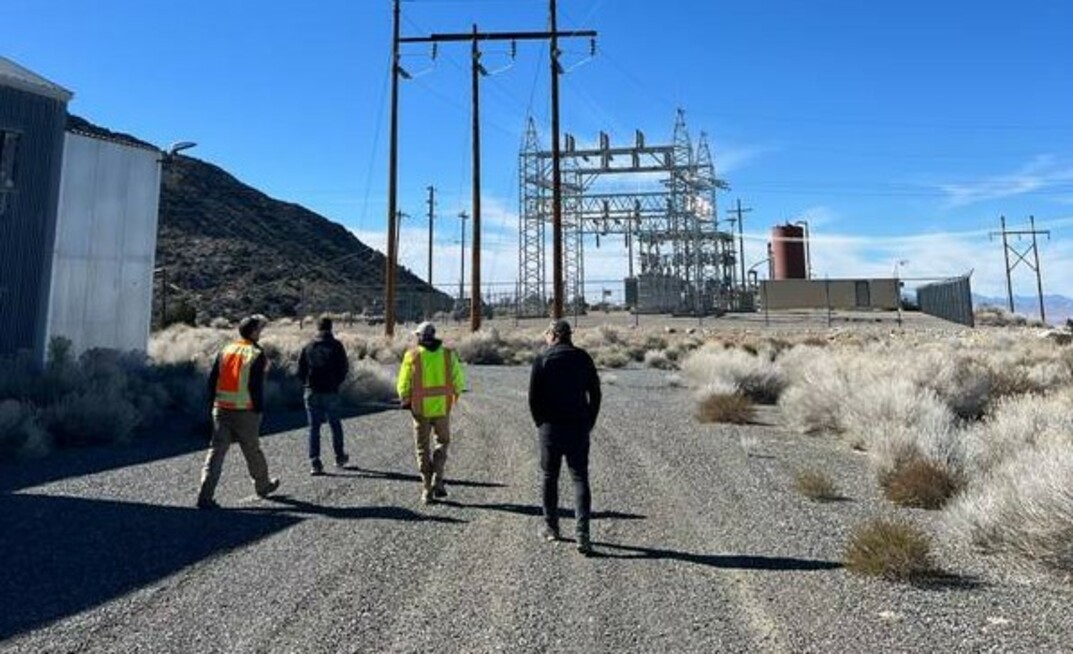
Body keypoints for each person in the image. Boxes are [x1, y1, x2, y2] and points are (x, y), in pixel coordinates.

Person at [528, 319, 601, 555]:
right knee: (580, 478)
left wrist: (540, 422)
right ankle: (583, 534)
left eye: (548, 333)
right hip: (578, 426)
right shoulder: (583, 358)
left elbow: (533, 397)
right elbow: (596, 393)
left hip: (551, 428)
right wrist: (590, 420)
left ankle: (551, 527)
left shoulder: (543, 358)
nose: (546, 337)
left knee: (550, 476)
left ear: (554, 335)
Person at [196, 315, 280, 509]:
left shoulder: (225, 350)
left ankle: (205, 495)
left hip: (221, 408)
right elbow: (255, 385)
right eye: (259, 329)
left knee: (215, 453)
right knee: (252, 450)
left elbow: (212, 380)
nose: (260, 332)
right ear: (252, 332)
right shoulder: (256, 353)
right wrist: (259, 409)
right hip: (245, 410)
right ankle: (263, 485)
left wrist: (213, 404)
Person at [396, 321, 466, 504]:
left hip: (420, 410)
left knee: (422, 448)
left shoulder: (412, 356)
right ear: (433, 335)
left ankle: (426, 489)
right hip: (442, 407)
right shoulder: (448, 355)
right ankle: (439, 479)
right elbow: (459, 381)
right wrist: (454, 399)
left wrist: (406, 400)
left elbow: (402, 384)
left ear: (420, 336)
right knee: (442, 442)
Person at [298, 316, 351, 475]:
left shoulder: (308, 347)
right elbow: (344, 368)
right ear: (330, 327)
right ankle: (339, 457)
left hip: (312, 391)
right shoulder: (336, 346)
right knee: (335, 424)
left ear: (317, 327)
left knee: (314, 428)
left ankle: (315, 462)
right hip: (331, 391)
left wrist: (307, 384)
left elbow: (300, 370)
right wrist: (336, 382)